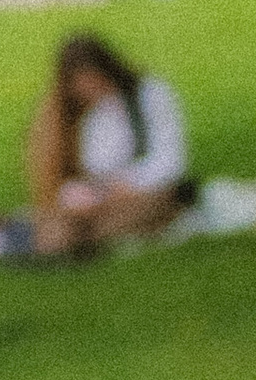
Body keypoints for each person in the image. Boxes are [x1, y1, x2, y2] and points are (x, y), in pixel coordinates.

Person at [25, 30, 193, 257]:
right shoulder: (89, 113)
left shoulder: (150, 95)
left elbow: (171, 160)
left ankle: (77, 241)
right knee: (63, 219)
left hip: (150, 192)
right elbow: (92, 168)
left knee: (113, 221)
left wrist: (130, 183)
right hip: (101, 198)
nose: (89, 91)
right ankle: (65, 240)